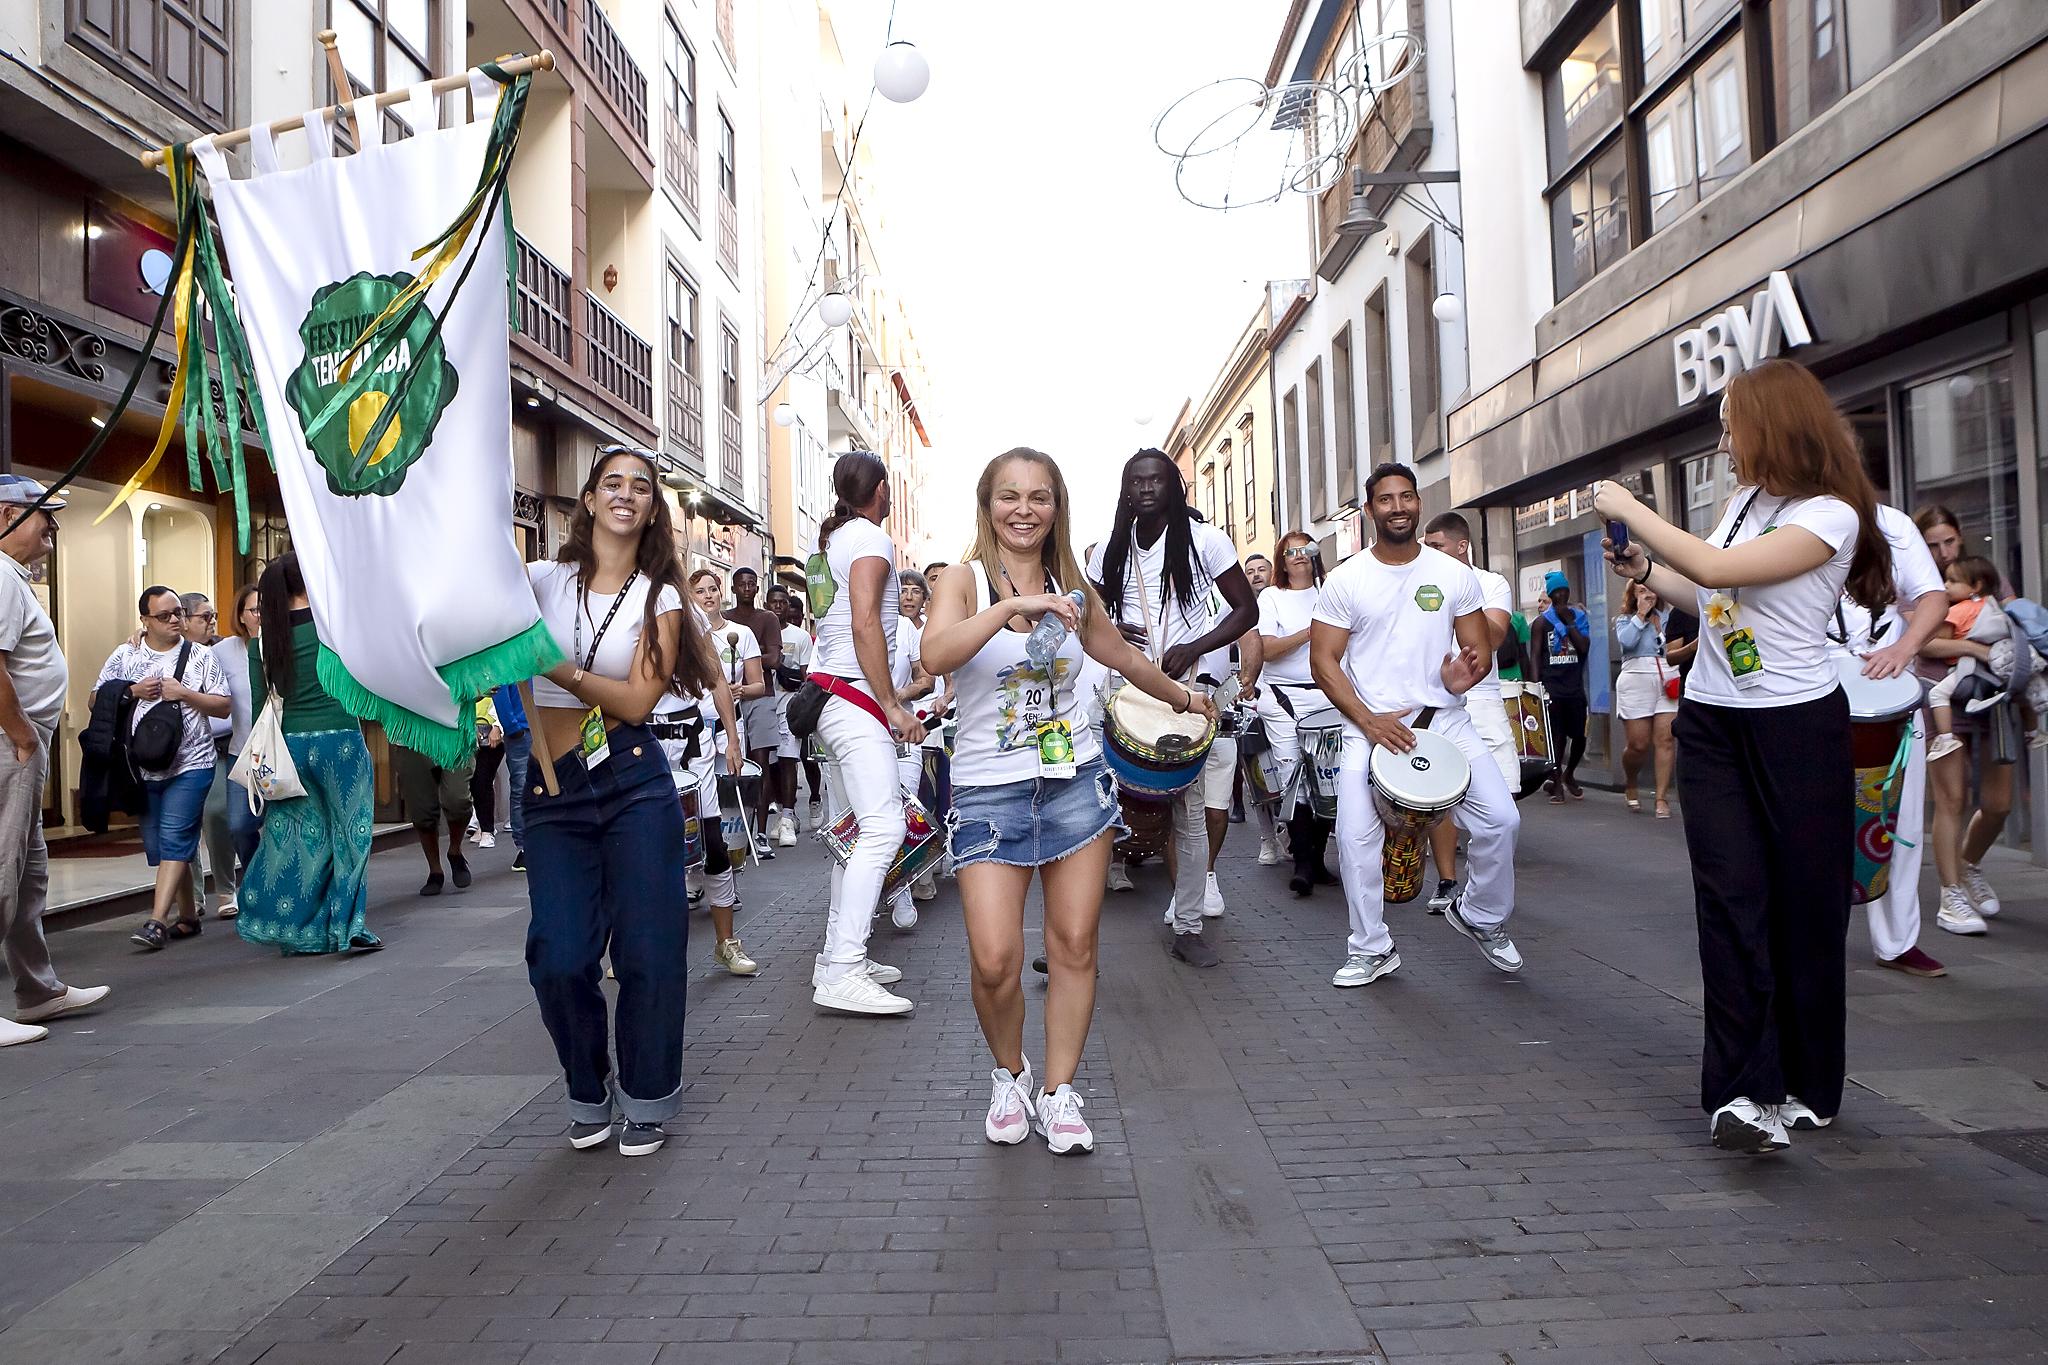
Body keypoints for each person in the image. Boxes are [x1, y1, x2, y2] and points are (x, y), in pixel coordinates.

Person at [1595, 357, 1895, 1154]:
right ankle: (1741, 1091)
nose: (1723, 439)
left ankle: (1808, 1081)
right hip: (1714, 725)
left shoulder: (1830, 515)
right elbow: (1718, 595)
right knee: (1730, 904)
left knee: (1805, 910)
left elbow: (1723, 568)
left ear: (1771, 424)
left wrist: (1632, 507)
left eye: (1731, 422)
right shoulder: (1743, 503)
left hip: (1798, 729)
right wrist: (1648, 570)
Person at [923, 448, 1214, 1153]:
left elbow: (1122, 655)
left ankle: (1058, 1090)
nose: (1024, 508)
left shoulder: (1077, 587)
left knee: (1074, 945)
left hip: (1075, 784)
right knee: (995, 959)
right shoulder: (962, 581)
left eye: (1040, 496)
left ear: (1058, 507)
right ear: (986, 503)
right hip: (990, 790)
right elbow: (935, 655)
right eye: (1009, 495)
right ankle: (1009, 1072)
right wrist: (1011, 607)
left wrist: (1184, 698)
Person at [525, 444, 709, 1157]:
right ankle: (586, 1085)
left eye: (641, 485)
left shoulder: (661, 596)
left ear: (651, 507)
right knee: (558, 954)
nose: (627, 493)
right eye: (613, 483)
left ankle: (648, 1096)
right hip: (550, 785)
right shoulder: (541, 579)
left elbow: (636, 700)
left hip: (633, 779)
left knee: (650, 949)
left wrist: (558, 668)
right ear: (591, 499)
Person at [1311, 464, 1523, 991]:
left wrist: (1458, 678)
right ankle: (1371, 947)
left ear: (1419, 504)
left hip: (1446, 722)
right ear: (1370, 511)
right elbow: (1323, 662)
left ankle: (1479, 914)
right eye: (1386, 500)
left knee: (1502, 820)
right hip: (1371, 727)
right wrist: (1369, 720)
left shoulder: (1453, 575)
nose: (1398, 507)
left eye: (1407, 497)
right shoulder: (1347, 579)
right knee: (1355, 836)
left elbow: (1475, 654)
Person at [1087, 449, 1257, 968]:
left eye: (1155, 481)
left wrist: (1198, 645)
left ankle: (1187, 925)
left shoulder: (1206, 541)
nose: (1144, 490)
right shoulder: (1109, 550)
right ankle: (1076, 940)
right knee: (1094, 815)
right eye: (1135, 482)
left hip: (1184, 691)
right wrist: (1113, 633)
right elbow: (1085, 614)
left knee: (1189, 815)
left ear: (1174, 486)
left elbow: (1246, 609)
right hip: (1121, 691)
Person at [810, 450, 923, 1015]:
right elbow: (862, 624)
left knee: (852, 833)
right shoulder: (871, 540)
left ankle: (836, 955)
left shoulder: (836, 537)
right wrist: (891, 704)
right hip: (852, 700)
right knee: (884, 828)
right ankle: (843, 968)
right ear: (882, 490)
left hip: (831, 697)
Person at [0, 477, 106, 1044]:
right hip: (10, 742)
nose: (51, 527)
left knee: (28, 872)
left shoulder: (13, 578)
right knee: (3, 868)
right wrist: (19, 733)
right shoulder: (0, 576)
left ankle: (39, 992)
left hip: (22, 741)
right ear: (8, 515)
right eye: (45, 515)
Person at [1825, 502, 1948, 978]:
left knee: (1900, 821)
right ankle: (1813, 938)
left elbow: (1933, 597)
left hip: (1889, 699)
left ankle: (1897, 941)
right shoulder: (1791, 520)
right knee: (1814, 823)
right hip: (1813, 694)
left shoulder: (1891, 525)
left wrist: (1904, 647)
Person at [236, 554, 380, 955]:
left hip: (291, 747)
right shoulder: (333, 628)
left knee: (300, 840)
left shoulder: (262, 641)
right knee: (352, 836)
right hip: (342, 743)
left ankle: (301, 929)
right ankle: (348, 924)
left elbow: (258, 703)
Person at [102, 586, 232, 950]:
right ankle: (188, 918)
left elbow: (223, 706)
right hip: (142, 767)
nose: (175, 620)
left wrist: (184, 694)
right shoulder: (127, 655)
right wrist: (131, 690)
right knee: (165, 844)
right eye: (164, 616)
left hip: (194, 762)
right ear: (145, 620)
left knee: (176, 834)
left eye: (178, 613)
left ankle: (157, 921)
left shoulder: (202, 657)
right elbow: (97, 697)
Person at [1914, 506, 2012, 937]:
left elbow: (2013, 620)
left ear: (1960, 537)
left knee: (1998, 803)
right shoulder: (1917, 580)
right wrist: (1976, 649)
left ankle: (1969, 864)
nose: (1941, 551)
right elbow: (1920, 644)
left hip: (1994, 696)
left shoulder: (1982, 575)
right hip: (1941, 697)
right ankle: (1951, 894)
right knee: (1950, 799)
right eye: (1932, 543)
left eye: (1948, 541)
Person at [1420, 512, 1516, 914]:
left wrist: (1463, 596)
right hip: (1436, 702)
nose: (1429, 553)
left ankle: (1480, 892)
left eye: (1437, 546)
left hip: (1483, 698)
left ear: (1462, 547)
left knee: (1503, 801)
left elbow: (1489, 640)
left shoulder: (1491, 583)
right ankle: (1446, 881)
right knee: (1439, 796)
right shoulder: (1420, 583)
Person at [1256, 530, 1336, 896]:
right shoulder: (1272, 598)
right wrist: (1312, 631)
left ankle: (1317, 859)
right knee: (1295, 777)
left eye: (1306, 550)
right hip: (1283, 698)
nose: (1299, 556)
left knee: (1326, 778)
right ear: (1282, 560)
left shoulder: (1330, 593)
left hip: (1328, 697)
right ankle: (1302, 861)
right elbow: (1268, 649)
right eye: (1291, 552)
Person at [1923, 555, 2048, 762]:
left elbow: (1939, 639)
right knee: (2021, 692)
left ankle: (1945, 738)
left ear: (1975, 586)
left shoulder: (1957, 611)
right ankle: (2033, 732)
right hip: (1998, 667)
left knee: (1937, 694)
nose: (1946, 585)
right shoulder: (1993, 606)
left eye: (1953, 581)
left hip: (1969, 668)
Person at [175, 591, 241, 919]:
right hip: (181, 749)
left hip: (221, 745)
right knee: (183, 820)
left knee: (216, 812)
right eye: (205, 617)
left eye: (213, 616)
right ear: (183, 620)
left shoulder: (224, 648)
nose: (212, 622)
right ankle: (192, 896)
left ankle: (226, 888)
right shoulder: (169, 654)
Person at [888, 568, 936, 929]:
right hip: (862, 733)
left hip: (906, 731)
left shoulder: (908, 629)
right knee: (868, 819)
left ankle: (901, 887)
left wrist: (895, 698)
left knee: (907, 811)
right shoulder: (847, 622)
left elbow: (926, 679)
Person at [728, 567, 786, 849]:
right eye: (742, 584)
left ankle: (760, 832)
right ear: (733, 588)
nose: (747, 588)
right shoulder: (725, 618)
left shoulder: (768, 618)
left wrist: (742, 659)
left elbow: (774, 659)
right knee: (731, 765)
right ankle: (735, 832)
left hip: (762, 696)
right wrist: (757, 656)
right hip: (729, 697)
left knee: (760, 763)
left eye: (752, 583)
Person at [1612, 579, 1679, 818]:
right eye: (1641, 590)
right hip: (1636, 679)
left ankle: (1661, 798)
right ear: (1633, 595)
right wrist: (1641, 614)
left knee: (1666, 739)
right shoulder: (1624, 620)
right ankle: (1631, 782)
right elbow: (1627, 642)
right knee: (1638, 745)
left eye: (1651, 589)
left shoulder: (1669, 617)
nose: (1648, 594)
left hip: (1667, 679)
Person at [216, 585, 264, 887]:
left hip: (284, 750)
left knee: (282, 825)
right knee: (239, 825)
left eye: (267, 609)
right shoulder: (223, 651)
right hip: (243, 752)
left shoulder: (285, 644)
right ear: (241, 616)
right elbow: (186, 653)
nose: (262, 616)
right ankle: (259, 880)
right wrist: (140, 638)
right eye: (255, 610)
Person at [1530, 570, 1591, 800]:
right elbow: (1535, 655)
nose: (1561, 596)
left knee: (1579, 736)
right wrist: (1537, 688)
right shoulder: (1541, 623)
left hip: (1574, 685)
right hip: (1552, 686)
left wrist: (1570, 622)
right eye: (1556, 593)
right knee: (1556, 737)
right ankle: (1555, 782)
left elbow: (1583, 647)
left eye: (1564, 592)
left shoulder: (1579, 617)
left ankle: (1569, 774)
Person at [392, 739, 474, 896]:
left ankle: (455, 851)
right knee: (422, 812)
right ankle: (435, 870)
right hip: (411, 736)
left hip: (454, 733)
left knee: (458, 800)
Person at [769, 586, 820, 836]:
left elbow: (806, 677)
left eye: (782, 602)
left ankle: (791, 815)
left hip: (789, 706)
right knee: (773, 765)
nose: (778, 606)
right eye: (773, 602)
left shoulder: (799, 637)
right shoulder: (756, 632)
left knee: (794, 760)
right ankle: (781, 811)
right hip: (762, 706)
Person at [492, 682, 532, 872]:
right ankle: (524, 846)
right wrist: (512, 727)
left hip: (539, 725)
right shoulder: (509, 655)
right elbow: (499, 689)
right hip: (522, 730)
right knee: (522, 787)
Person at [469, 696, 506, 849]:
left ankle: (487, 830)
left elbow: (502, 695)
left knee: (482, 781)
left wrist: (497, 726)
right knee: (473, 783)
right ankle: (481, 824)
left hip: (491, 730)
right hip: (469, 730)